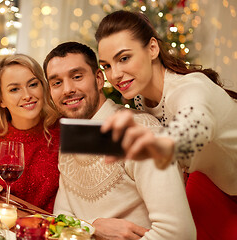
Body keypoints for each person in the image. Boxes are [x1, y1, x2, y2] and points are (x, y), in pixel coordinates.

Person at [95, 10, 237, 239]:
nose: (115, 75)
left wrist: (151, 145)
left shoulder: (191, 89)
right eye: (107, 66)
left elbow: (192, 129)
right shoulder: (141, 98)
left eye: (123, 58)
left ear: (152, 48)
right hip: (212, 185)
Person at [43, 41, 196, 239]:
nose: (67, 89)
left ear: (99, 79)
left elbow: (179, 234)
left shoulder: (141, 132)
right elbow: (61, 218)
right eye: (57, 83)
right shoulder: (72, 134)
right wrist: (93, 227)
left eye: (77, 77)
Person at [0, 54, 61, 213]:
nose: (27, 95)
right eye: (14, 89)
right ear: (1, 100)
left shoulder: (62, 133)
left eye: (32, 84)